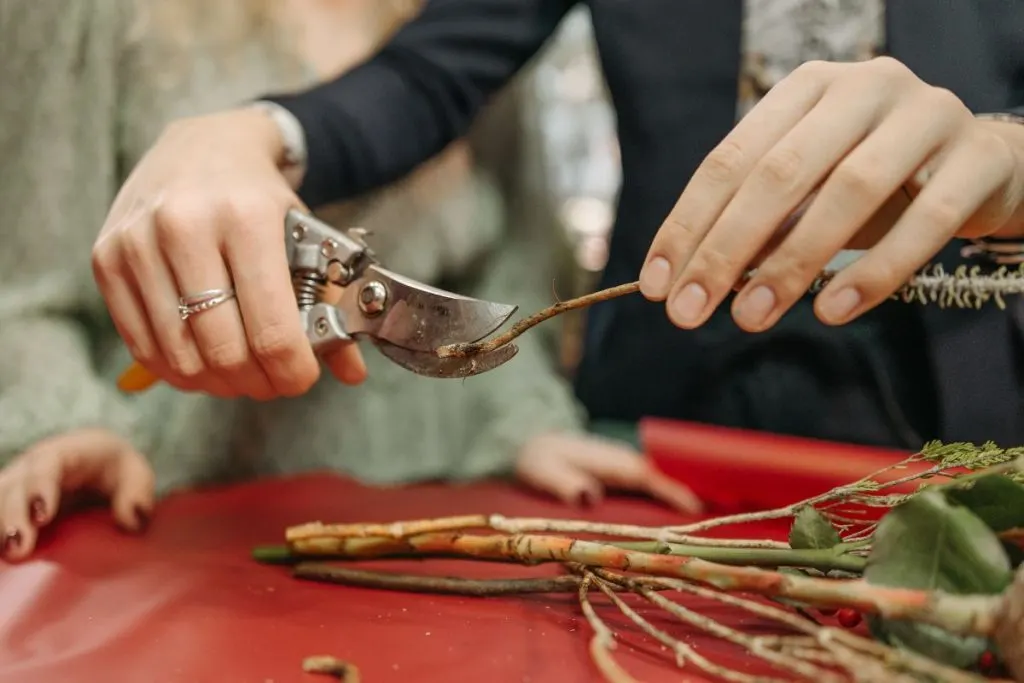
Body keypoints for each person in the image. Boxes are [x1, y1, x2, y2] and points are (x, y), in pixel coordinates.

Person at [91, 0, 1024, 454]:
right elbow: (430, 74)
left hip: (968, 428)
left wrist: (1010, 173)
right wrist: (255, 133)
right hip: (656, 420)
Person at [0, 0, 699, 563]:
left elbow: (506, 280)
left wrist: (526, 424)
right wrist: (68, 423)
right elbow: (24, 292)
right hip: (168, 513)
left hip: (438, 509)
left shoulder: (476, 26)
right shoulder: (81, 12)